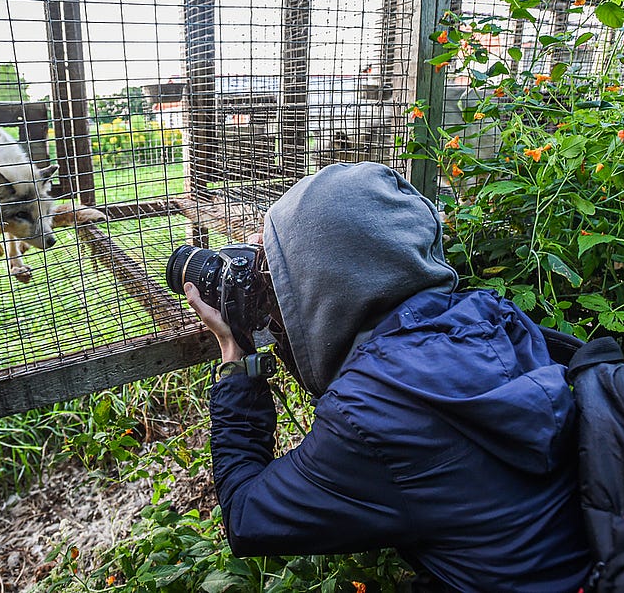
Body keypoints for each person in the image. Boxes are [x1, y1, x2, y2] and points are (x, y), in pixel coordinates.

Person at [183, 162, 591, 592]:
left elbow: (247, 516)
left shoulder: (371, 414)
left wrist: (236, 361)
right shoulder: (492, 317)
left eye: (282, 274)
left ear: (324, 281)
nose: (274, 290)